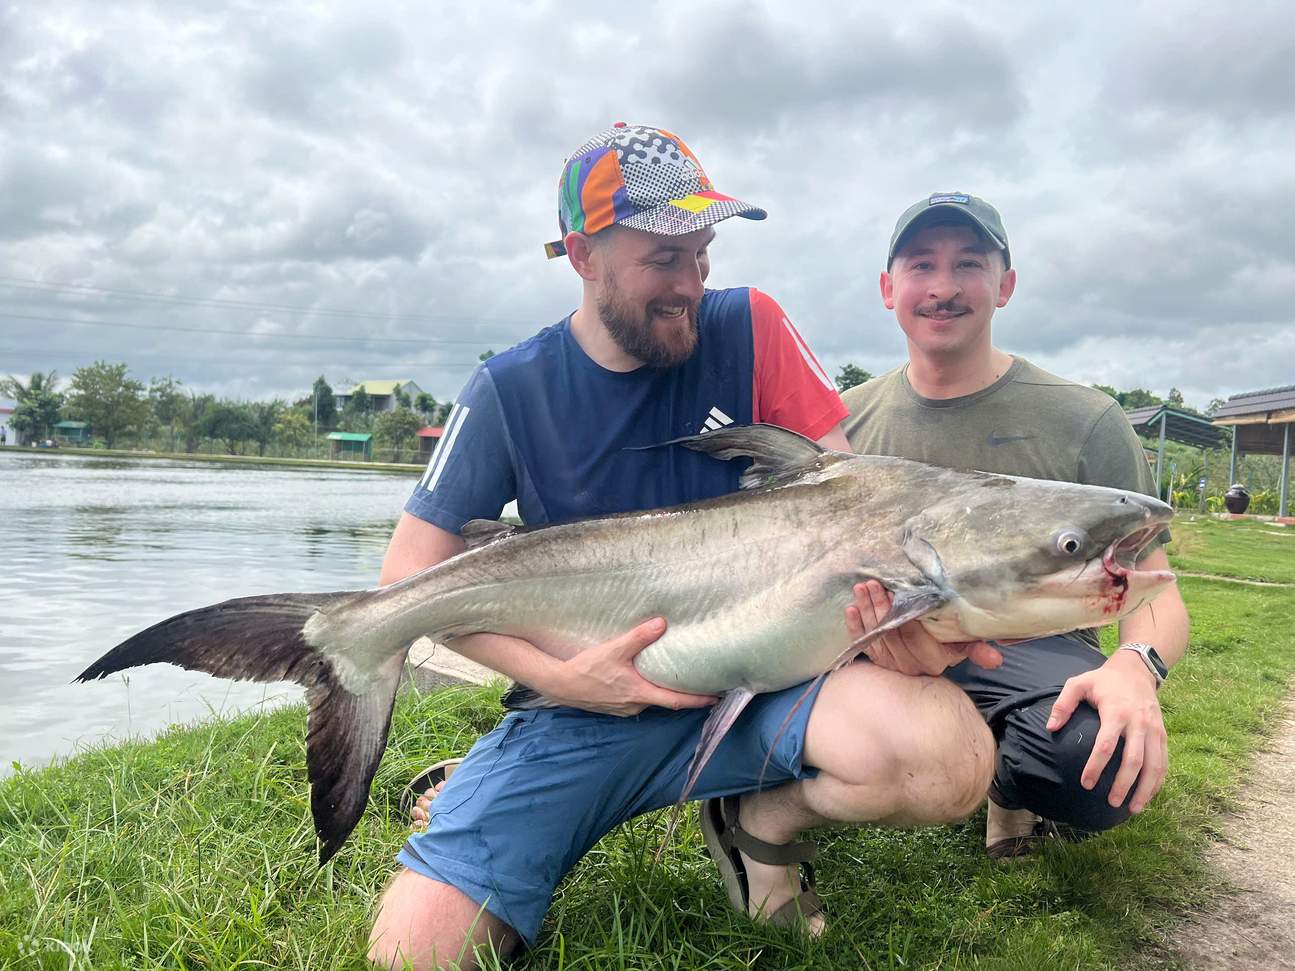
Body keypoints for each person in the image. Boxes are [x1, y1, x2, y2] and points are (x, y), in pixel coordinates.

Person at [367, 127, 998, 971]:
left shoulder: (750, 326)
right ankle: (490, 788)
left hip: (766, 681)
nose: (692, 285)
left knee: (947, 758)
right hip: (583, 710)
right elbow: (406, 577)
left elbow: (862, 516)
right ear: (584, 256)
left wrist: (896, 624)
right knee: (412, 955)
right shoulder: (509, 389)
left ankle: (758, 824)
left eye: (701, 254)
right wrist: (562, 677)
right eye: (664, 259)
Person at [840, 193, 1191, 857]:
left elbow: (1158, 588)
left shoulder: (1084, 419)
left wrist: (1134, 665)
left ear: (1004, 285)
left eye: (968, 264)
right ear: (888, 289)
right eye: (921, 265)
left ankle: (1011, 782)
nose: (943, 288)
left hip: (1029, 645)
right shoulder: (842, 421)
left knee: (1096, 764)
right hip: (881, 635)